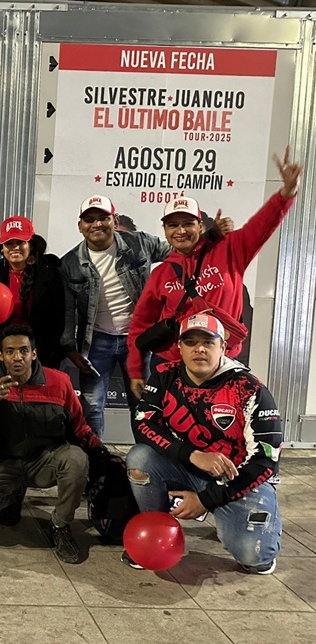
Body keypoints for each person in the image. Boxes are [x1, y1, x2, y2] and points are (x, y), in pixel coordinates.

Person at [127, 149, 302, 399]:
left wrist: (286, 193)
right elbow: (140, 325)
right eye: (173, 225)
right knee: (170, 422)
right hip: (172, 365)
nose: (180, 231)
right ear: (165, 231)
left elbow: (262, 225)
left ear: (200, 226)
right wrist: (136, 371)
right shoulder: (162, 274)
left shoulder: (229, 250)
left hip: (221, 362)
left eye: (188, 223)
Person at [125, 313, 282, 574]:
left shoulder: (250, 389)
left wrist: (206, 500)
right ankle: (160, 532)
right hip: (189, 467)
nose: (199, 348)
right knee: (140, 458)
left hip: (237, 479)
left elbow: (266, 461)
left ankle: (251, 524)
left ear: (223, 347)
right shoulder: (164, 376)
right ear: (179, 347)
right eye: (191, 342)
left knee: (253, 558)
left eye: (208, 342)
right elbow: (144, 425)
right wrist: (192, 455)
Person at [0, 325, 112, 564]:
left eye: (23, 350)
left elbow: (79, 427)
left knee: (76, 458)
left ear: (34, 354)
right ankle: (13, 494)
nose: (17, 357)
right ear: (0, 355)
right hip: (3, 462)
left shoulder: (59, 382)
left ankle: (60, 525)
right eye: (10, 351)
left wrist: (101, 451)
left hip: (46, 460)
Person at [59, 196, 172, 438]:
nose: (97, 224)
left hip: (139, 342)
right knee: (91, 407)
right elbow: (68, 310)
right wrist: (70, 348)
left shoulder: (140, 243)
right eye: (89, 220)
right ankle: (96, 457)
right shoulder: (70, 263)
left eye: (103, 218)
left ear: (115, 221)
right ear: (80, 226)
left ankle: (145, 456)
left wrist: (214, 238)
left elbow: (179, 250)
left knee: (143, 406)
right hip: (96, 342)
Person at [0, 215, 65, 367]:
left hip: (41, 354)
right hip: (3, 354)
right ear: (2, 248)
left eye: (20, 242)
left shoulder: (48, 273)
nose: (15, 247)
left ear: (31, 245)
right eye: (9, 243)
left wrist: (49, 352)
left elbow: (58, 318)